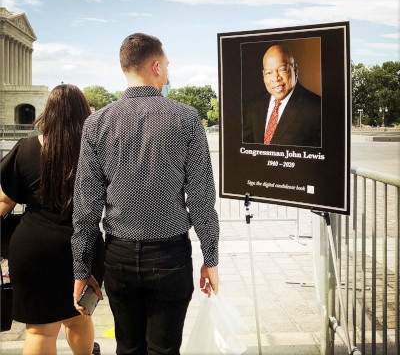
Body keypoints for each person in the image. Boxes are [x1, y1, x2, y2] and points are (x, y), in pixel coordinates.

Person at [71, 33, 220, 355]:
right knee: (165, 349)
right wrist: (211, 258)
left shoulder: (97, 123)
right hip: (170, 256)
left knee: (127, 347)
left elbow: (86, 207)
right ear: (155, 66)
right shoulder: (186, 118)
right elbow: (201, 198)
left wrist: (81, 269)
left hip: (119, 256)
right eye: (166, 66)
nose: (166, 73)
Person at [0, 84, 104, 355]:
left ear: (48, 113)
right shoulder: (97, 150)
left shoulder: (25, 149)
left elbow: (4, 200)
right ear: (85, 113)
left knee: (39, 330)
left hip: (34, 247)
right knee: (80, 318)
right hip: (84, 246)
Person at [243, 45, 321, 147]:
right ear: (263, 75)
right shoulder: (255, 104)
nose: (275, 78)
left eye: (282, 69)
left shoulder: (317, 108)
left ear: (295, 70)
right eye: (268, 72)